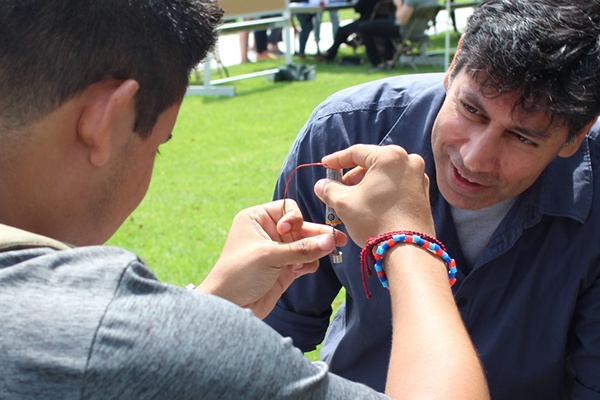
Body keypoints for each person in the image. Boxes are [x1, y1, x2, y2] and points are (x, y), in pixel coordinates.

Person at [0, 0, 490, 398]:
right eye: (161, 142)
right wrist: (407, 241)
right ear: (105, 120)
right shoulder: (111, 336)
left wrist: (209, 303)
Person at [264, 0, 600, 398]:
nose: (475, 159)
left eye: (522, 137)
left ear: (576, 135)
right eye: (471, 109)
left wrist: (403, 243)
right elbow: (273, 333)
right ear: (455, 63)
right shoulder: (345, 130)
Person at [358, 0, 439, 71]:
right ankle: (389, 59)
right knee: (387, 25)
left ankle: (377, 64)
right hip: (420, 31)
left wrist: (398, 4)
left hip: (405, 31)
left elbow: (401, 21)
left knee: (363, 28)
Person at [316, 0, 388, 63]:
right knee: (344, 31)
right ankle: (330, 52)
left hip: (365, 23)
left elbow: (357, 8)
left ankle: (330, 55)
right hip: (380, 21)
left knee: (341, 30)